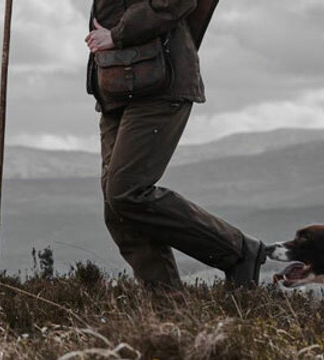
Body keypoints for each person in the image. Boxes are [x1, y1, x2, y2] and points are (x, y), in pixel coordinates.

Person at [85, 0, 266, 288]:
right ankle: (166, 309)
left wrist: (118, 35)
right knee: (117, 206)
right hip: (116, 85)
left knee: (126, 193)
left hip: (160, 81)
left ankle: (239, 251)